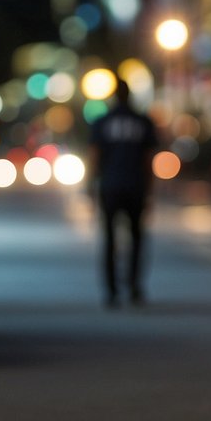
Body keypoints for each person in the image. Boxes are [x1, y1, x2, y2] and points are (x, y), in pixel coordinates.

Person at [88, 78, 158, 307]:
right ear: (130, 95)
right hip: (136, 186)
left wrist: (91, 185)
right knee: (137, 238)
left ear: (113, 96)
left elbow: (95, 156)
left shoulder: (102, 122)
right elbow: (149, 160)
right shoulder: (143, 122)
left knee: (109, 239)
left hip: (110, 186)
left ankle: (111, 291)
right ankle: (135, 287)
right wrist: (150, 190)